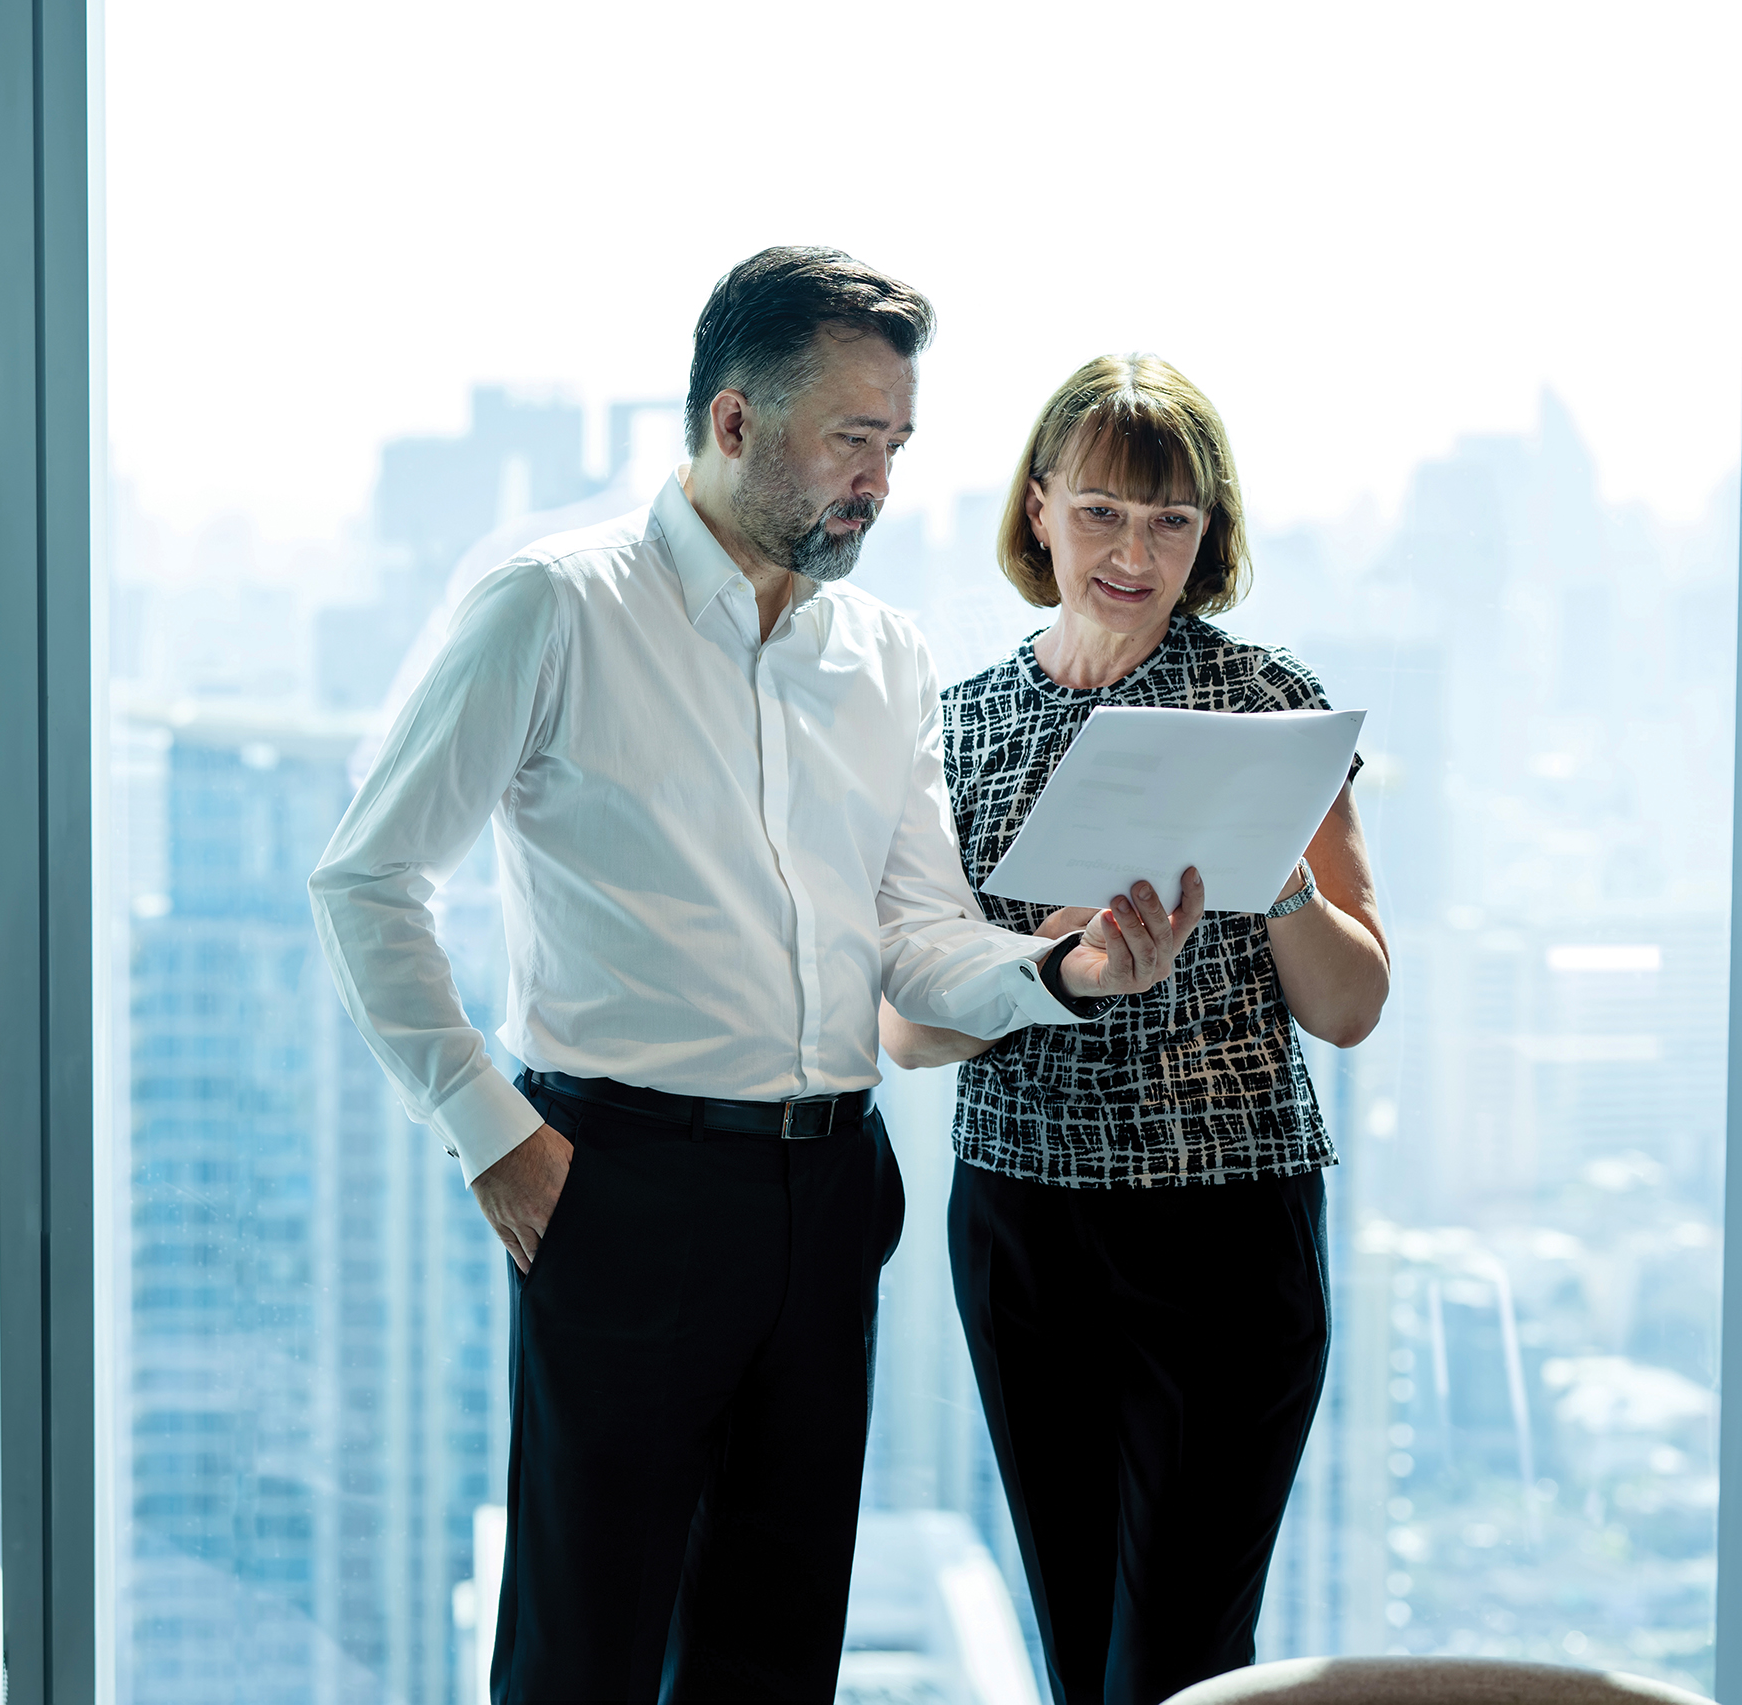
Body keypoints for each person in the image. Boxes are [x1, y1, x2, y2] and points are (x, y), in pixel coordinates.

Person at [308, 248, 1207, 1704]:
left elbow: (917, 938)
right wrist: (496, 1140)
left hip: (830, 1194)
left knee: (775, 1660)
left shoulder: (882, 653)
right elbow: (366, 878)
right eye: (856, 439)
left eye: (900, 444)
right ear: (732, 424)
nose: (883, 480)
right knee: (582, 1654)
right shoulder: (556, 608)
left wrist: (1070, 968)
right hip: (621, 1185)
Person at [881, 353, 1391, 1705]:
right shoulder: (959, 726)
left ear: (1208, 536)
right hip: (1025, 1230)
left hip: (1230, 1225)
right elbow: (905, 1031)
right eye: (1103, 510)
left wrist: (1273, 869)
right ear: (1038, 508)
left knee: (1177, 1664)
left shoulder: (1273, 707)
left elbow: (1350, 1007)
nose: (1134, 550)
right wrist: (1052, 965)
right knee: (1080, 1649)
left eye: (1172, 520)